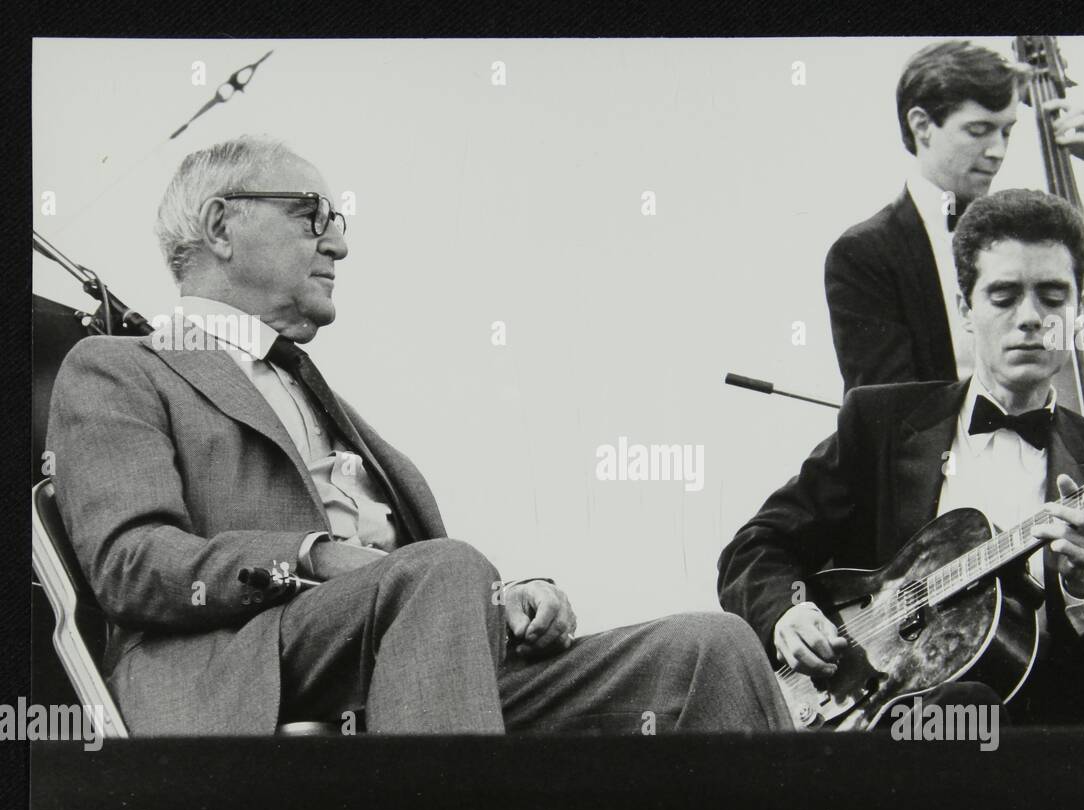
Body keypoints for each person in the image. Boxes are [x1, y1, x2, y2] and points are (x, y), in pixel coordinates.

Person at [45, 136, 791, 737]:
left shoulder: (311, 388)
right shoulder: (120, 367)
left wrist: (505, 596)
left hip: (423, 660)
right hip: (249, 673)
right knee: (440, 574)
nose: (338, 244)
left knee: (712, 650)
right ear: (220, 227)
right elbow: (130, 560)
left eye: (339, 222)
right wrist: (310, 556)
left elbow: (428, 573)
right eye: (312, 214)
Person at [721, 189, 1084, 725]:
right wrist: (788, 612)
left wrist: (1083, 581)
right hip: (884, 725)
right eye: (1003, 296)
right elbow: (756, 547)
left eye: (1052, 296)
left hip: (1047, 735)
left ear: (1078, 310)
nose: (1030, 318)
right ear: (964, 309)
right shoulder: (880, 424)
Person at [826, 39, 1084, 392]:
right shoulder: (864, 254)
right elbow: (888, 407)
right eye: (978, 131)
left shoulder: (1021, 230)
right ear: (922, 126)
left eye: (1006, 131)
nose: (997, 151)